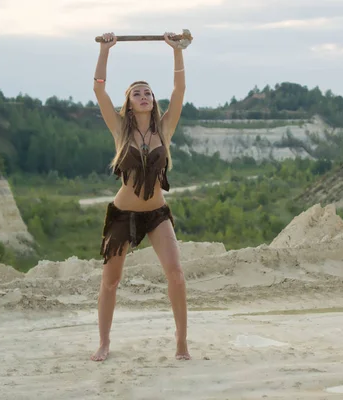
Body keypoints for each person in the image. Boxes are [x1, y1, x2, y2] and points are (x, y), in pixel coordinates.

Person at [90, 31, 189, 362]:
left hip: (156, 214)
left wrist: (176, 51)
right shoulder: (120, 129)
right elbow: (98, 89)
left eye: (147, 92)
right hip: (123, 215)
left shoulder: (164, 129)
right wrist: (106, 50)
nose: (144, 95)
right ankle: (104, 343)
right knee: (111, 282)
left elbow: (179, 91)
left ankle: (181, 344)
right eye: (137, 93)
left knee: (176, 275)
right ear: (129, 101)